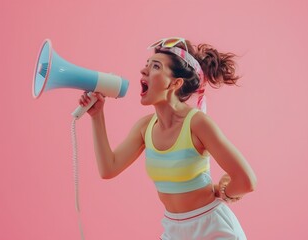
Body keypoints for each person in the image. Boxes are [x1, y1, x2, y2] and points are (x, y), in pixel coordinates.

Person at [79, 37, 257, 240]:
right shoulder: (145, 127)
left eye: (155, 66)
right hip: (174, 230)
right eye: (147, 65)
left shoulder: (197, 123)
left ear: (175, 83)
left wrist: (223, 192)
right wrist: (97, 115)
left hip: (213, 229)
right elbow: (108, 168)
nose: (143, 70)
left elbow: (247, 181)